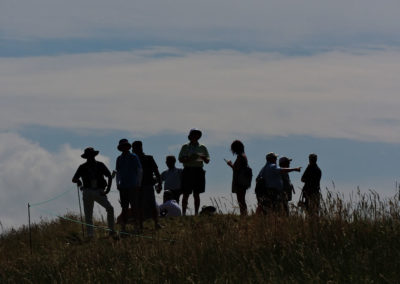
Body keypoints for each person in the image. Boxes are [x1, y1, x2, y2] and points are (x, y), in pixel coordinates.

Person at [72, 147, 115, 238]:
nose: (90, 157)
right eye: (89, 155)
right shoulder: (86, 166)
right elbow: (74, 179)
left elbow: (109, 176)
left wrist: (107, 190)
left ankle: (110, 231)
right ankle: (91, 235)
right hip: (89, 191)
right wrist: (79, 182)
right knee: (89, 214)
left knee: (109, 209)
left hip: (97, 191)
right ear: (87, 156)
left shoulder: (97, 165)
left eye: (91, 155)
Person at [178, 128, 210, 216]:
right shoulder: (185, 146)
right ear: (190, 136)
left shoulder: (202, 147)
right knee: (186, 193)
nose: (196, 136)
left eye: (197, 135)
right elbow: (180, 159)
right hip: (188, 170)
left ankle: (196, 213)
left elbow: (207, 161)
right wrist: (189, 158)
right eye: (194, 134)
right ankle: (183, 213)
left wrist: (202, 157)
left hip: (198, 171)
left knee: (197, 193)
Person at [131, 141, 163, 229]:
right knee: (139, 205)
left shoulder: (149, 158)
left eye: (137, 147)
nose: (135, 149)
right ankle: (140, 224)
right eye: (134, 148)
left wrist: (160, 183)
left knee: (152, 204)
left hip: (148, 184)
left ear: (140, 148)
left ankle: (156, 223)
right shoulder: (132, 159)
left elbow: (156, 171)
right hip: (137, 186)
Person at [115, 139, 142, 233]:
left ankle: (136, 226)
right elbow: (118, 172)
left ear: (128, 147)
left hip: (133, 184)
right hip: (123, 186)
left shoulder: (134, 156)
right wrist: (117, 183)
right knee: (124, 207)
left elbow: (139, 170)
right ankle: (123, 227)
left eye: (125, 146)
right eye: (122, 146)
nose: (124, 148)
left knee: (134, 206)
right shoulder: (119, 158)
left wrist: (139, 183)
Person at [225, 140, 249, 216]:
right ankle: (244, 215)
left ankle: (244, 215)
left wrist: (230, 164)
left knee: (240, 200)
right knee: (242, 199)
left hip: (240, 181)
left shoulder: (240, 157)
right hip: (244, 180)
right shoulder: (244, 156)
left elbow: (237, 169)